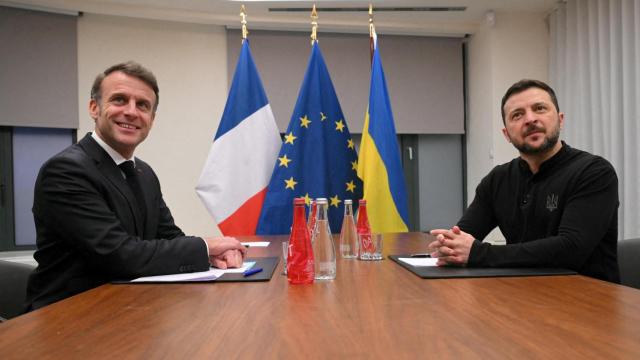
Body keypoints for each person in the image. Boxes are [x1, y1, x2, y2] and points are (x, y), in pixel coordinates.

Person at [25, 61, 246, 310]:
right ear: (94, 108)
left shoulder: (144, 172)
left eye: (143, 105)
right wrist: (206, 246)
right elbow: (120, 255)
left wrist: (212, 255)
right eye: (119, 100)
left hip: (131, 309)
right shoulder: (66, 171)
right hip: (67, 317)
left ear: (151, 119)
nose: (131, 112)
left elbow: (168, 236)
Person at [428, 79, 619, 283]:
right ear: (507, 134)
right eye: (517, 115)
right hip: (521, 293)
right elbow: (463, 237)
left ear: (560, 120)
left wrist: (478, 253)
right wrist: (448, 245)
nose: (530, 119)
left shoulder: (594, 172)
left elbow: (571, 249)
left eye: (540, 108)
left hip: (588, 300)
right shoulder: (498, 179)